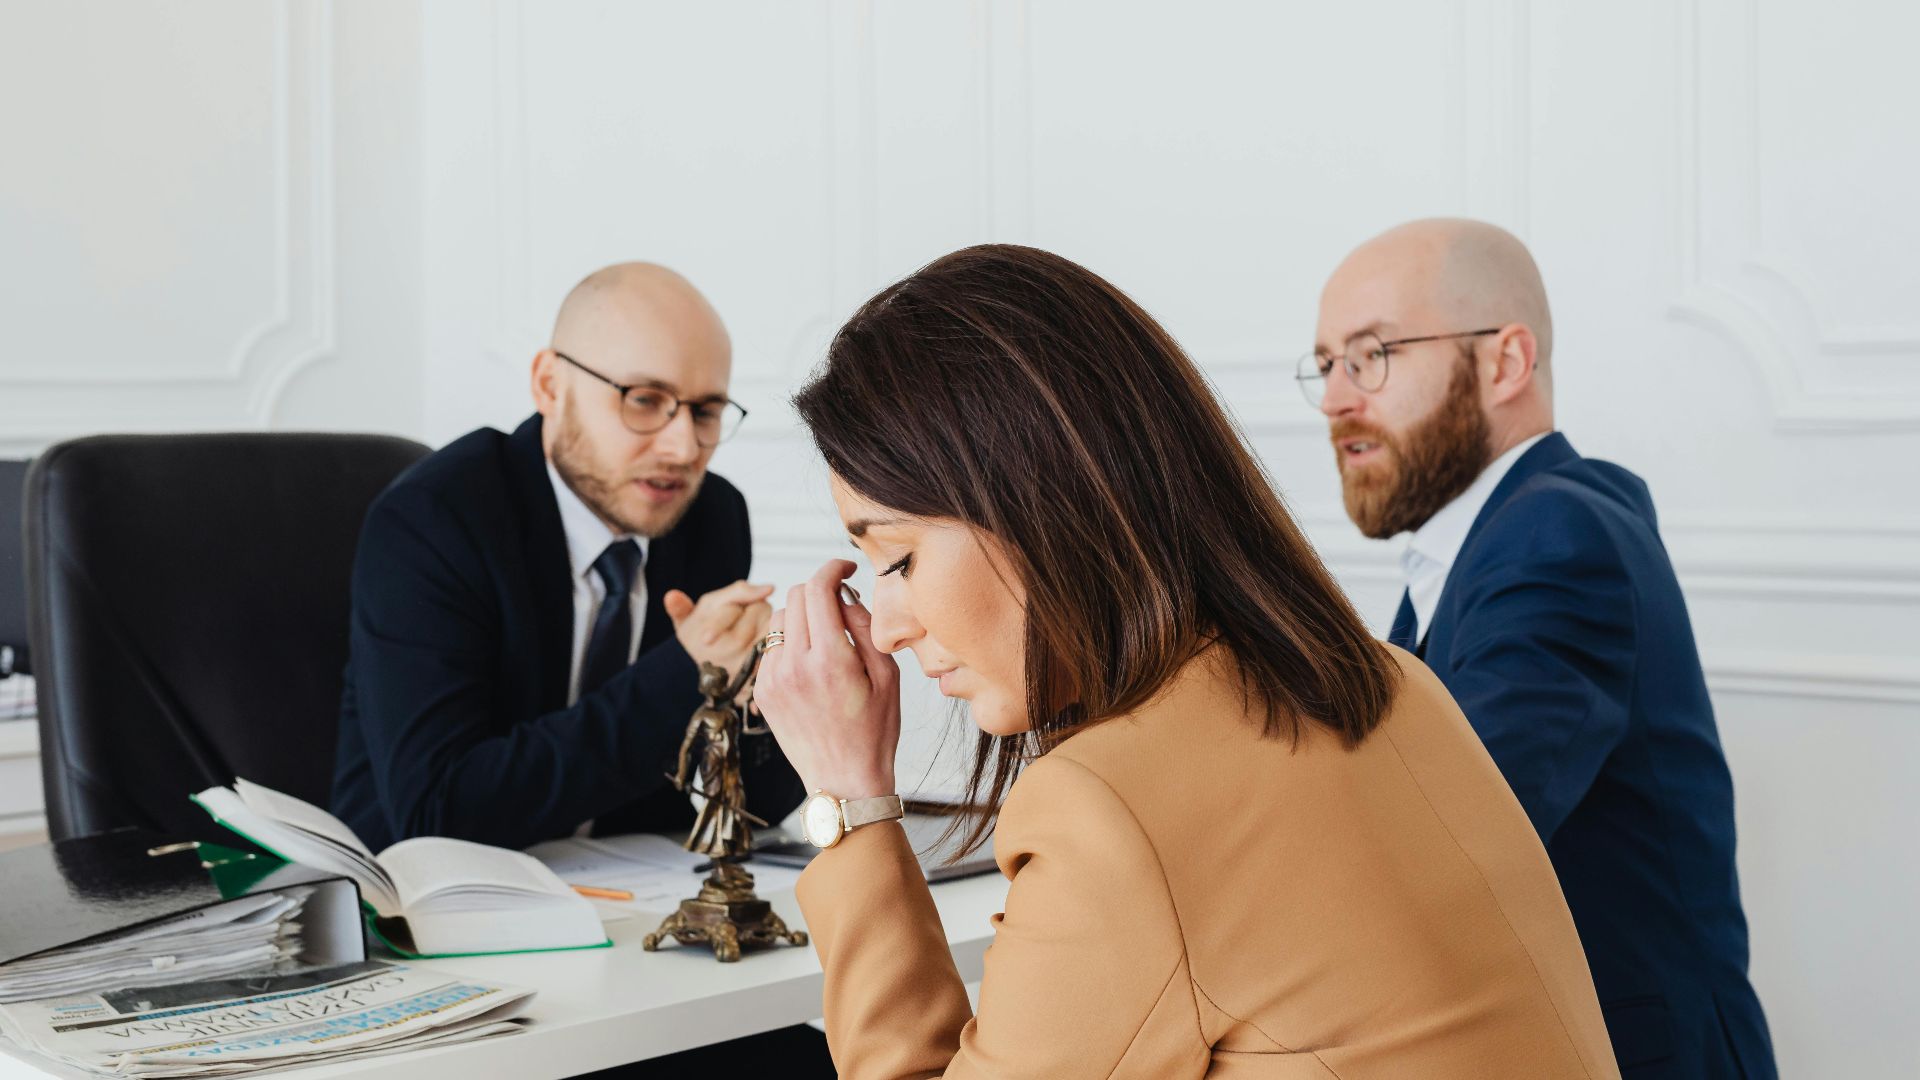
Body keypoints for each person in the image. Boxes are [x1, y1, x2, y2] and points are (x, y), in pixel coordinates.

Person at [752, 244, 1622, 1079]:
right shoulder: (1396, 681)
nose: (891, 624)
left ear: (1041, 502)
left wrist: (848, 798)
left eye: (898, 559)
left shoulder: (1110, 808)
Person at [1304, 218, 1775, 1078]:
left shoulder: (1557, 533)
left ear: (1505, 363)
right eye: (1328, 363)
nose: (1337, 398)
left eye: (1371, 355)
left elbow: (1428, 832)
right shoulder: (1482, 547)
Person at [332, 262, 805, 851]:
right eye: (644, 399)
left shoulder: (711, 516)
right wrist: (682, 674)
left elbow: (745, 805)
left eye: (705, 412)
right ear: (550, 386)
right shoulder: (435, 521)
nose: (683, 447)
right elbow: (439, 811)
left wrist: (765, 696)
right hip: (413, 908)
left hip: (620, 894)